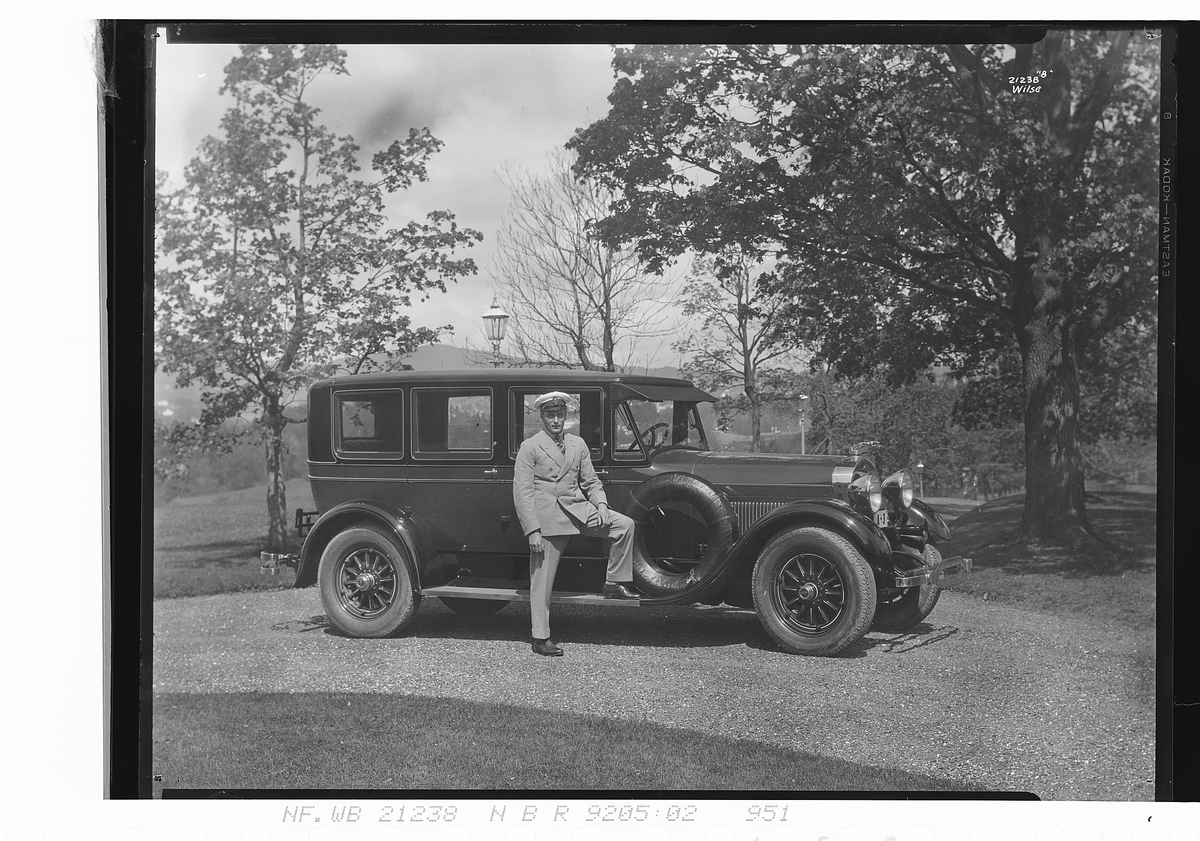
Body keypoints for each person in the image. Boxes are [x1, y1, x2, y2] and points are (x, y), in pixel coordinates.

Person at [513, 391, 643, 656]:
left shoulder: (577, 444)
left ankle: (614, 582)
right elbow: (522, 493)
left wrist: (602, 505)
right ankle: (541, 637)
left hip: (578, 510)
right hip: (547, 518)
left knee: (624, 525)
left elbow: (591, 481)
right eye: (550, 415)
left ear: (567, 415)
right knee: (542, 581)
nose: (556, 420)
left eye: (560, 414)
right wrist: (533, 530)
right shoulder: (530, 446)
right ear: (542, 417)